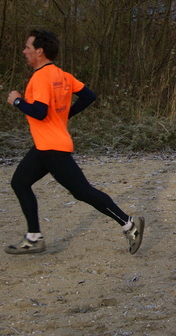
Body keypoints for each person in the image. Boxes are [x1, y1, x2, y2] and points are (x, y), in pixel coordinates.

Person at [5, 29, 145, 254]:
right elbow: (89, 96)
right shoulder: (62, 75)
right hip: (45, 145)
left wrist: (18, 101)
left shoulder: (40, 77)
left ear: (39, 52)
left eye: (27, 48)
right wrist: (65, 115)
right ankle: (33, 237)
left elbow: (39, 112)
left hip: (52, 148)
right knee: (19, 182)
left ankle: (129, 224)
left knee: (82, 191)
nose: (24, 51)